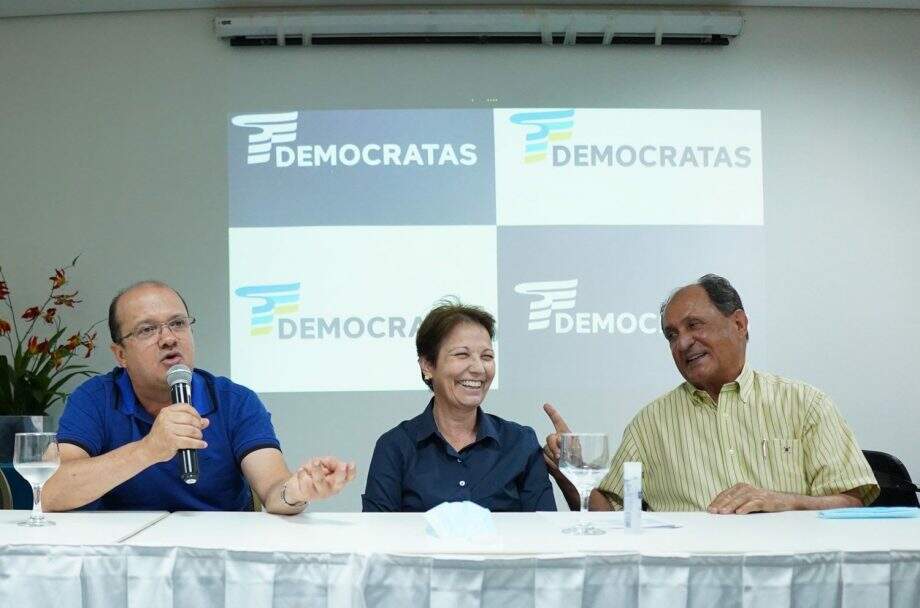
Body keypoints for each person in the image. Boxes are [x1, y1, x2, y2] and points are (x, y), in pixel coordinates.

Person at [544, 274, 878, 514]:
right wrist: (570, 471)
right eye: (672, 335)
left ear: (739, 324)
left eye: (694, 325)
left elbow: (851, 503)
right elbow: (611, 517)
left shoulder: (806, 405)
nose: (683, 343)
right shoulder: (650, 424)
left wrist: (784, 501)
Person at [43, 280, 355, 513]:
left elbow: (274, 489)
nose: (168, 338)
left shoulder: (235, 401)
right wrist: (149, 449)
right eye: (147, 330)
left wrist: (297, 490)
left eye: (178, 324)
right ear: (120, 354)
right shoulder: (95, 399)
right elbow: (52, 492)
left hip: (217, 561)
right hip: (125, 563)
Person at [362, 300, 555, 512]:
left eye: (487, 356)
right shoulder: (395, 446)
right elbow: (378, 537)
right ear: (427, 365)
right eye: (462, 355)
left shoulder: (520, 442)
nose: (479, 368)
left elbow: (544, 534)